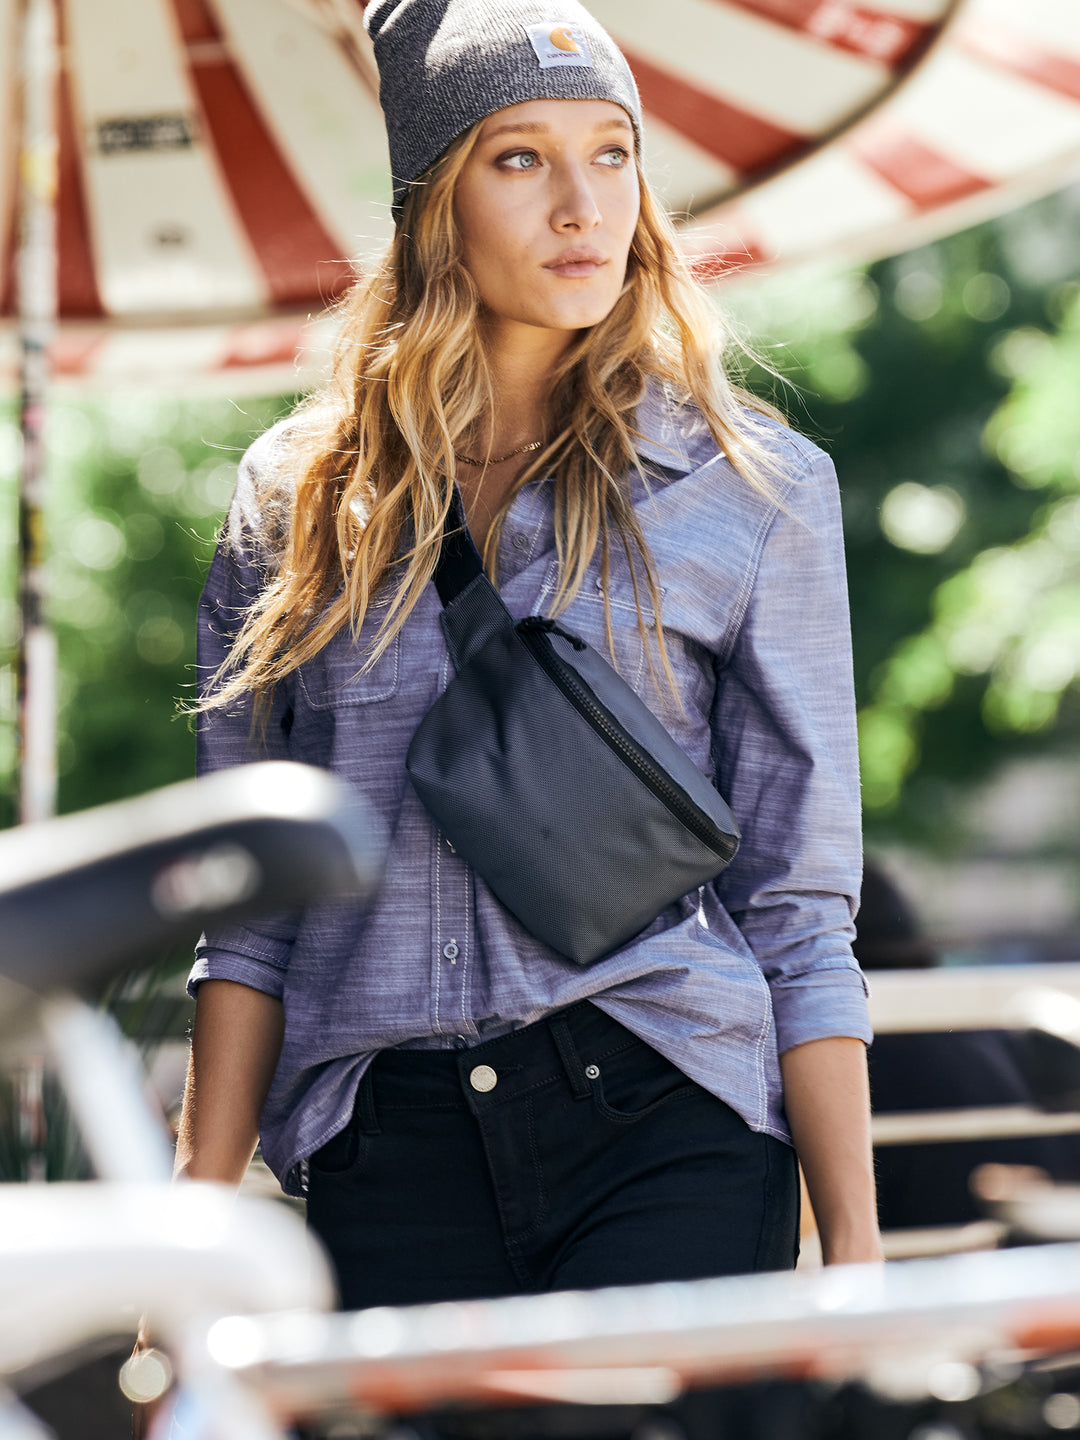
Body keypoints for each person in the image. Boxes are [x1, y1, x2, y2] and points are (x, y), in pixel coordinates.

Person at [179, 0, 881, 1314]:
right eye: (520, 159)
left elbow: (799, 898)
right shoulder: (293, 498)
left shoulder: (751, 485)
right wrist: (180, 1265)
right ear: (432, 199)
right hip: (384, 1148)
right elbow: (247, 913)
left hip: (663, 1102)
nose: (583, 206)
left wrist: (855, 1252)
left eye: (612, 154)